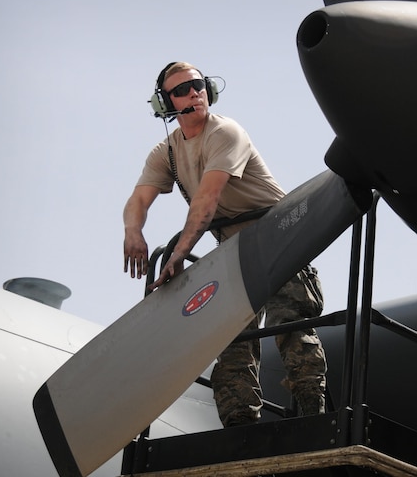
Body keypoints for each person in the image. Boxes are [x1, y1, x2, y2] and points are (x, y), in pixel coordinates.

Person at [122, 61, 327, 427]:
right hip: (236, 249)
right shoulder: (165, 151)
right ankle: (239, 427)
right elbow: (139, 200)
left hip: (281, 235)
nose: (194, 93)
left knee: (289, 324)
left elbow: (207, 199)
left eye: (198, 85)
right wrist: (133, 231)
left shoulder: (226, 132)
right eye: (181, 90)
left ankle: (314, 414)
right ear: (165, 104)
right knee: (228, 338)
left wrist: (180, 252)